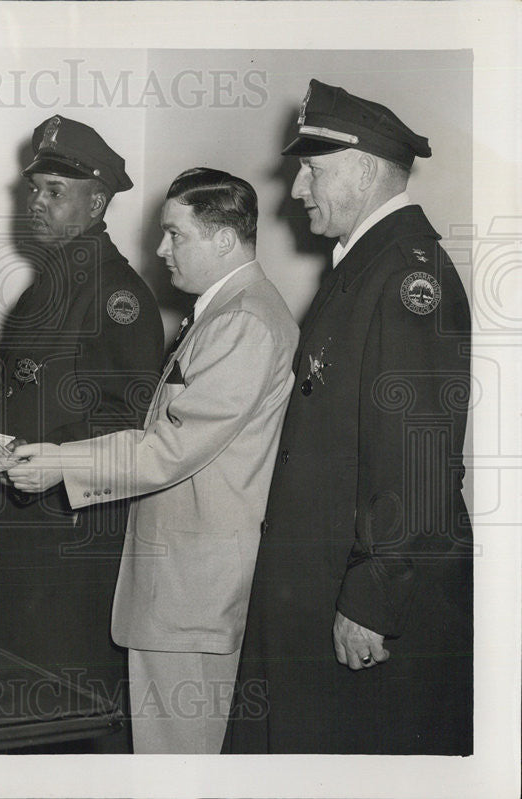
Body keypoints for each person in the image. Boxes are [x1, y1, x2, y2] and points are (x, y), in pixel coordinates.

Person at [8, 168, 298, 753]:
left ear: (222, 239)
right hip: (179, 580)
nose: (161, 249)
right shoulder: (224, 311)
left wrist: (64, 460)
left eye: (175, 235)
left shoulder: (243, 320)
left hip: (194, 585)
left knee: (176, 759)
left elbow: (171, 448)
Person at [223, 80, 473, 754]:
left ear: (363, 167)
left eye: (313, 169)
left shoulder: (404, 279)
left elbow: (416, 455)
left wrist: (371, 598)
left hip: (363, 598)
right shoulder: (363, 270)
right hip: (320, 580)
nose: (297, 189)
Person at [0, 116, 164, 750]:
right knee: (9, 716)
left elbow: (130, 423)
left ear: (97, 201)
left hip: (64, 550)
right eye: (35, 190)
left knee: (60, 720)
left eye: (54, 191)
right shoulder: (43, 287)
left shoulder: (116, 295)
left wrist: (50, 459)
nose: (37, 204)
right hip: (14, 538)